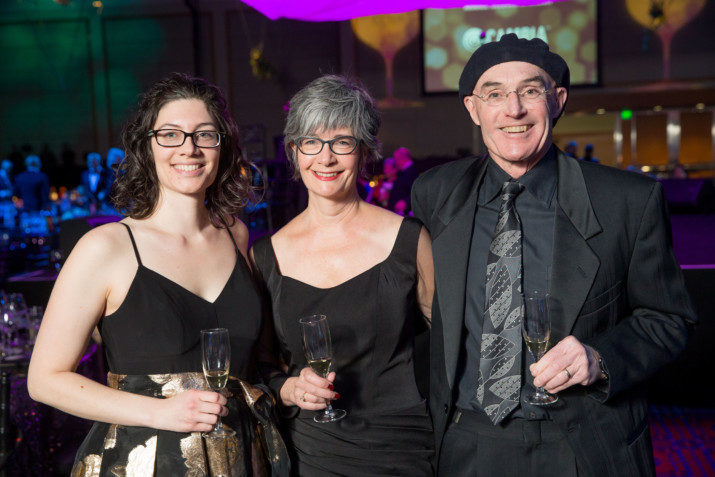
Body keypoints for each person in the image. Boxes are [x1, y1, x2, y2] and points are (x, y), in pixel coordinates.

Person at [411, 33, 696, 476]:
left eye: (530, 91)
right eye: (494, 94)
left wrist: (600, 359)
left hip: (581, 446)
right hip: (468, 443)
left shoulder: (627, 202)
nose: (513, 110)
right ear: (473, 108)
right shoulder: (436, 193)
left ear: (557, 100)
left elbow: (669, 319)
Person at [28, 73, 289, 476]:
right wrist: (161, 412)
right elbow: (45, 380)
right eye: (170, 134)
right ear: (146, 146)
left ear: (223, 146)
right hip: (143, 461)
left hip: (241, 455)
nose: (189, 148)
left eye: (205, 135)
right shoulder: (107, 247)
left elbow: (259, 360)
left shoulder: (235, 235)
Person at [251, 75, 435, 475]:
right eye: (311, 142)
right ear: (294, 151)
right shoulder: (266, 255)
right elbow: (261, 365)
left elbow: (452, 345)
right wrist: (290, 388)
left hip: (403, 450)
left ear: (364, 151)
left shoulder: (408, 239)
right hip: (311, 452)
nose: (326, 158)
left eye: (342, 142)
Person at [387, 146, 419, 215]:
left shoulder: (412, 171)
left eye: (396, 159)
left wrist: (405, 202)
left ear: (401, 158)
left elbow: (415, 191)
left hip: (404, 211)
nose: (395, 162)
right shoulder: (404, 172)